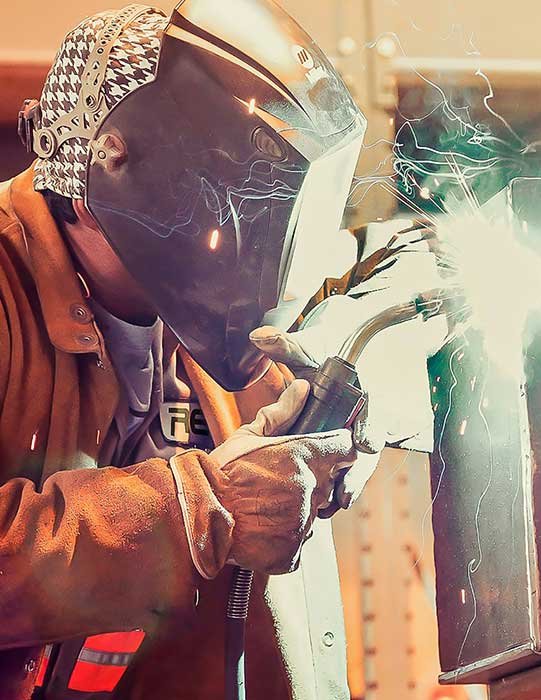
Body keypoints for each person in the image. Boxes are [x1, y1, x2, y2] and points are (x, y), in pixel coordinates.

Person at [1, 1, 445, 698]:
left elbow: (391, 289)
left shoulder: (201, 306)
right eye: (238, 203)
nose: (258, 250)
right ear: (115, 165)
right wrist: (191, 511)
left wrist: (354, 405)